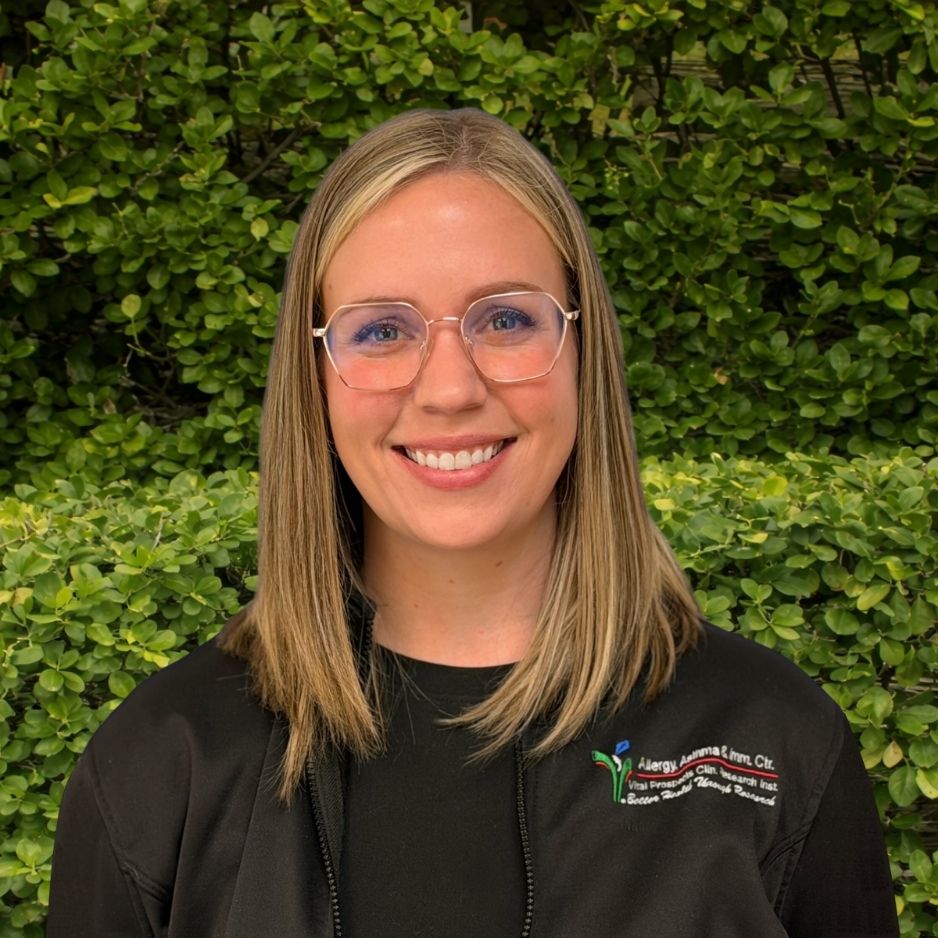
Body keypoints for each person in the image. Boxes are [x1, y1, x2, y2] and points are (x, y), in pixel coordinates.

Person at [47, 108, 898, 937]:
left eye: (506, 319)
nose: (449, 388)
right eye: (381, 328)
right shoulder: (162, 764)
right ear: (313, 376)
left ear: (582, 351)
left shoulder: (776, 743)